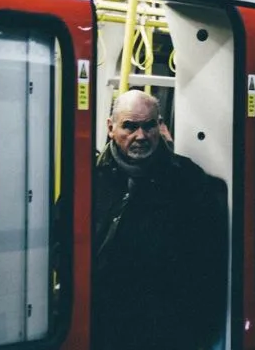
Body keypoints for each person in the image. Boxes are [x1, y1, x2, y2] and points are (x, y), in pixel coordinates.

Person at [92, 90, 228, 350]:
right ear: (111, 128)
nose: (140, 136)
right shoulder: (90, 180)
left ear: (160, 125)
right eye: (129, 126)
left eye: (149, 126)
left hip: (166, 329)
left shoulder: (188, 180)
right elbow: (60, 241)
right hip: (104, 324)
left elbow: (210, 259)